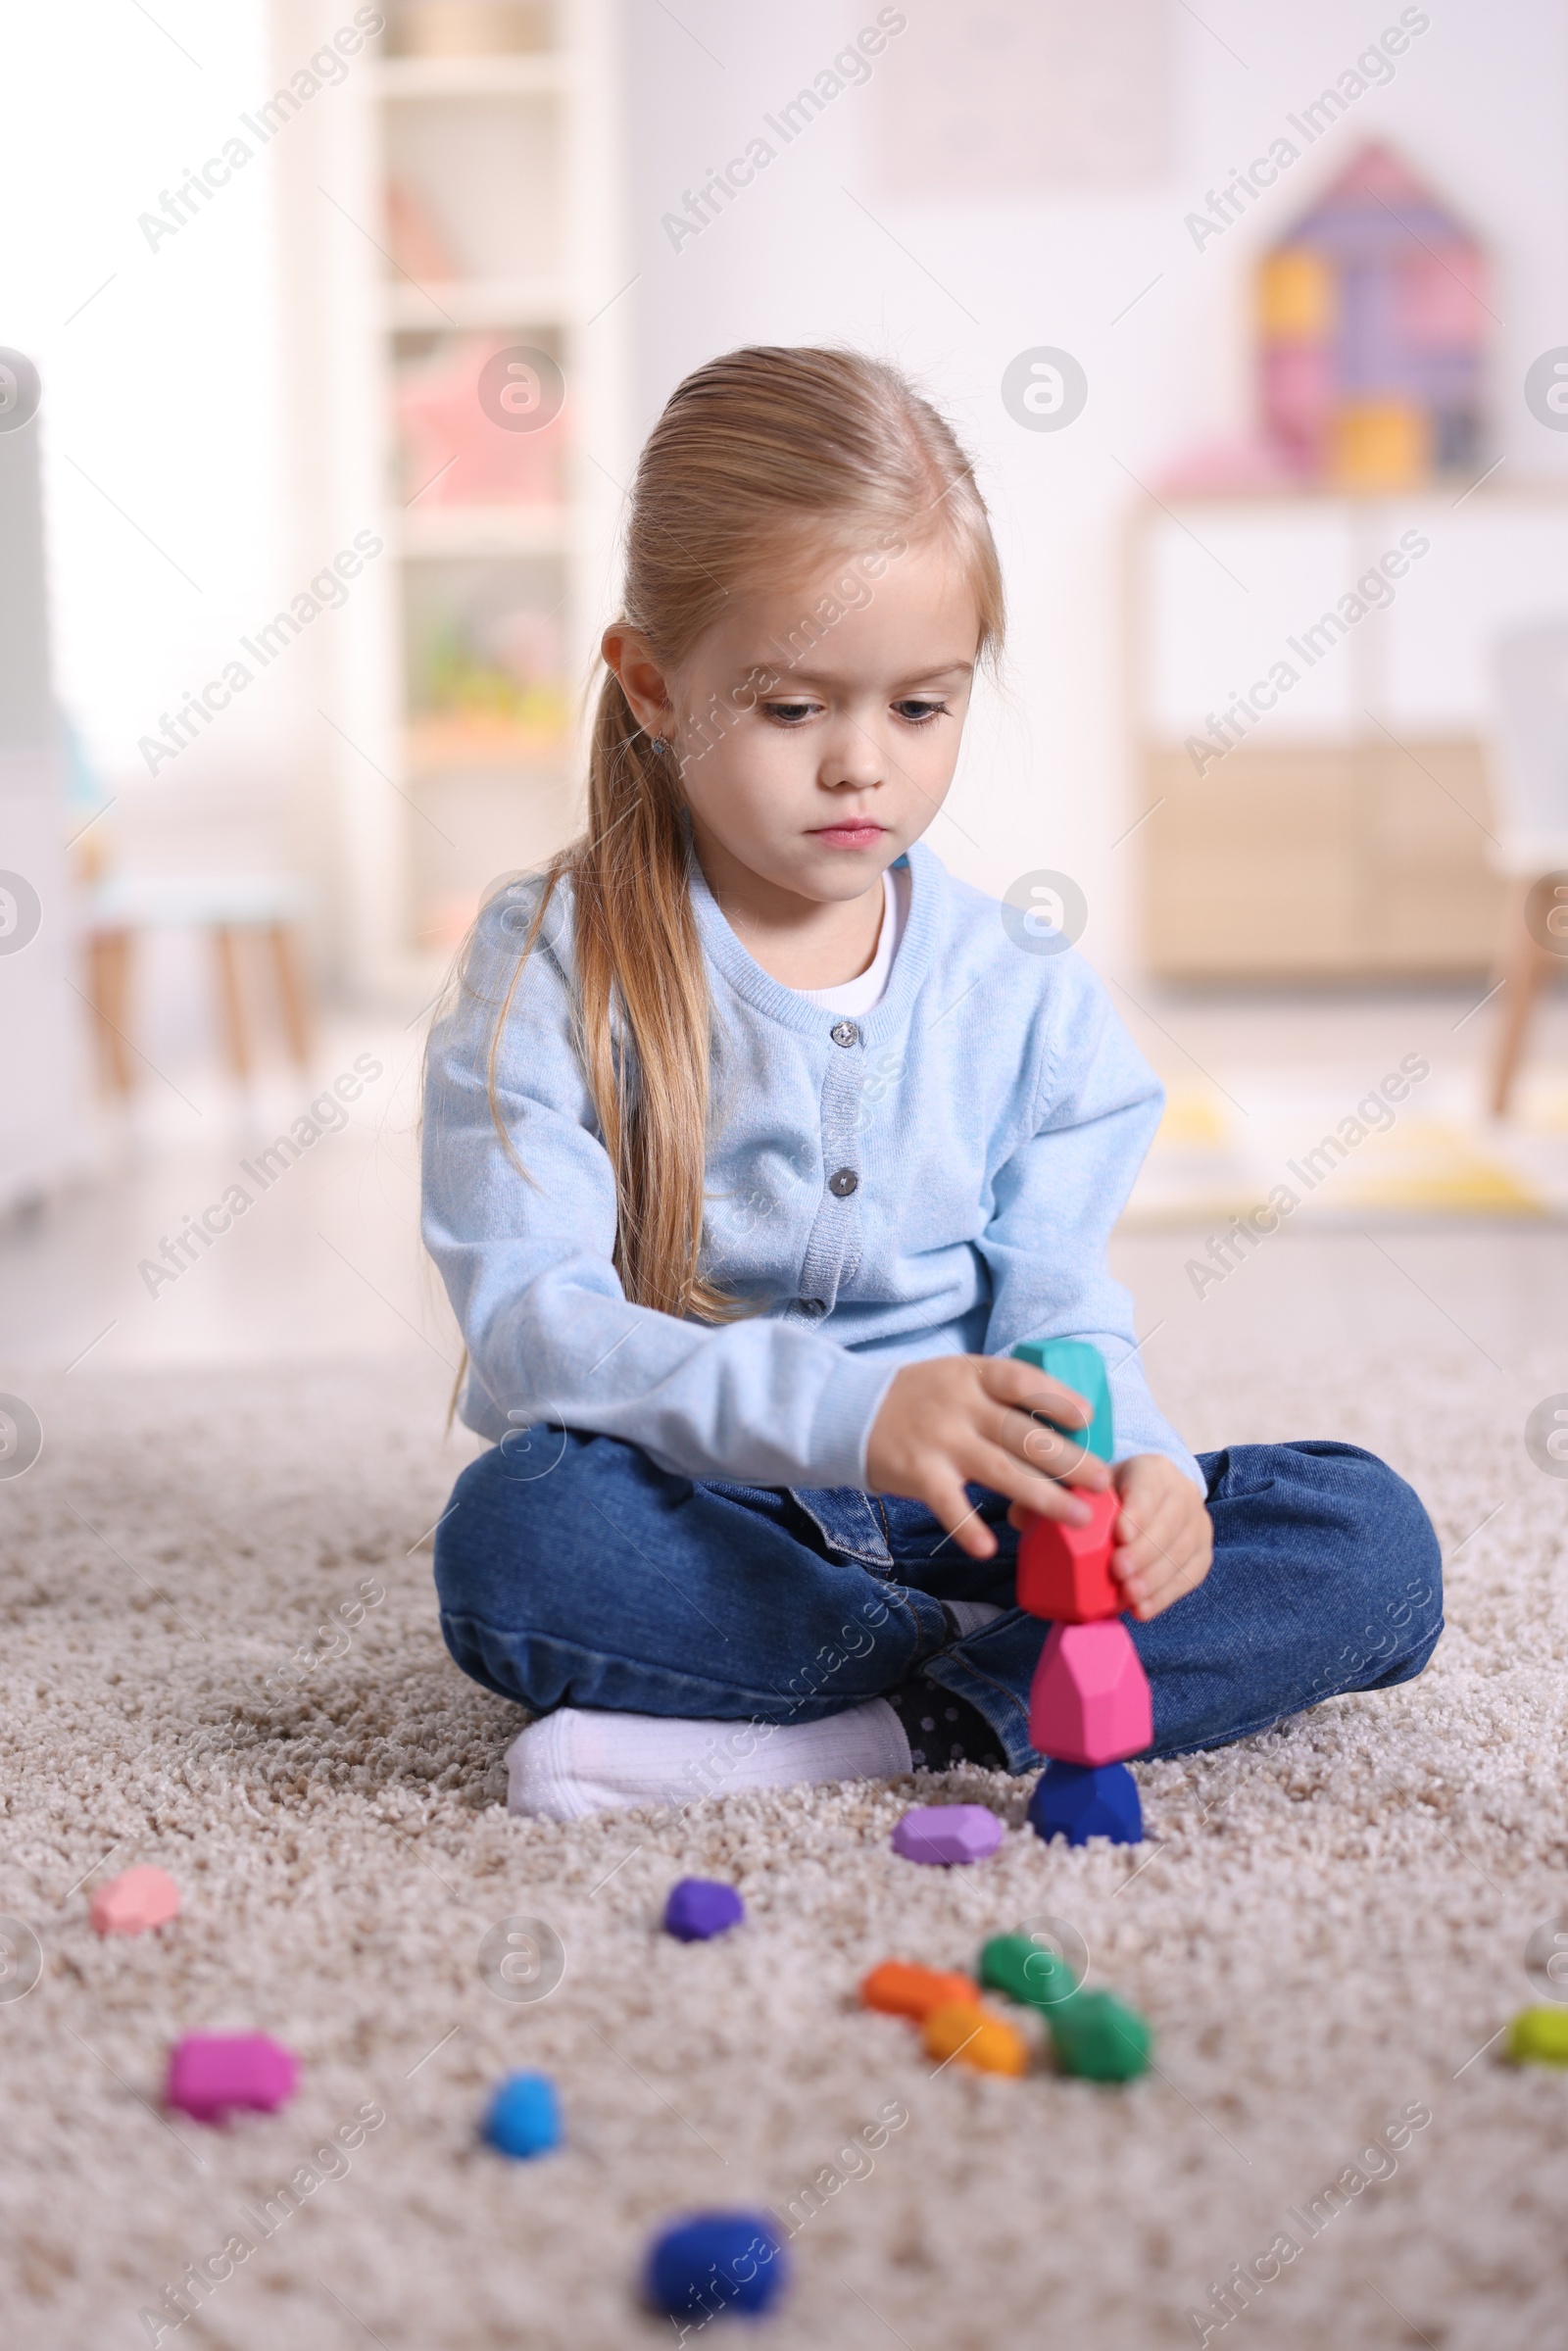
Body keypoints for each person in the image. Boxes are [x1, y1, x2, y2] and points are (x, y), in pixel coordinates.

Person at [421, 345, 1441, 1822]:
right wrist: (852, 1420)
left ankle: (865, 1731)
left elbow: (1059, 1310)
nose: (860, 769)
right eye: (789, 710)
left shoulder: (1017, 991)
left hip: (992, 1517)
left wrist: (1139, 1468)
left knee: (1370, 1540)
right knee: (518, 1538)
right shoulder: (547, 967)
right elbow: (532, 1334)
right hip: (716, 1510)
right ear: (651, 685)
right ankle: (1018, 1684)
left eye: (920, 708)